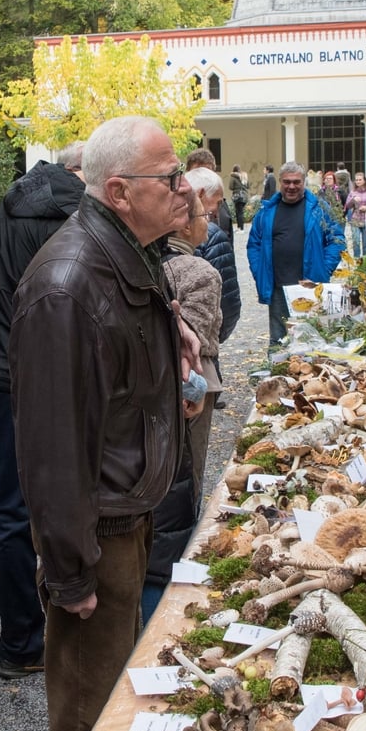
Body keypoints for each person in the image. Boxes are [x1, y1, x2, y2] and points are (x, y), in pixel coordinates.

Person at [10, 116, 193, 731]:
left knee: (119, 700)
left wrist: (175, 340)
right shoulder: (67, 286)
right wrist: (70, 574)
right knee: (92, 718)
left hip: (126, 514)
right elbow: (52, 450)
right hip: (97, 536)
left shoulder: (128, 252)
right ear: (119, 192)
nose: (184, 189)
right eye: (169, 178)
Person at [0, 144, 86, 682]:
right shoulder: (67, 216)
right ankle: (22, 642)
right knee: (11, 514)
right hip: (19, 373)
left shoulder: (12, 204)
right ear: (80, 174)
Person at [143, 191, 222, 621]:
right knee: (183, 485)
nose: (209, 221)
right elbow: (200, 344)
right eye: (204, 215)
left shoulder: (143, 262)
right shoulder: (199, 271)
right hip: (188, 393)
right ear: (186, 224)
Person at [247, 162, 346, 346]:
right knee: (279, 341)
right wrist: (259, 271)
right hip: (277, 286)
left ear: (304, 182)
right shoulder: (267, 211)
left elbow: (337, 240)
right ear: (280, 182)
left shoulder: (319, 208)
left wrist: (324, 269)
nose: (291, 186)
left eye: (296, 182)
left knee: (313, 340)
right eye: (287, 182)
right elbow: (254, 244)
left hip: (310, 286)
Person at [185, 167, 241, 343]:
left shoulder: (162, 231)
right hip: (205, 339)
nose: (218, 210)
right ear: (201, 195)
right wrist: (215, 337)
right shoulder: (213, 234)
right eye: (217, 202)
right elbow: (228, 303)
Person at [185, 147, 233, 237]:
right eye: (197, 173)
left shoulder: (222, 209)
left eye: (207, 173)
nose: (202, 178)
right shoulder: (177, 211)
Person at [230, 164, 250, 230]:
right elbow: (248, 186)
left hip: (237, 196)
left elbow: (231, 187)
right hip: (245, 196)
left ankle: (240, 228)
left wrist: (236, 188)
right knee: (240, 212)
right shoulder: (244, 176)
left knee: (238, 212)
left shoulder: (233, 177)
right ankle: (240, 227)